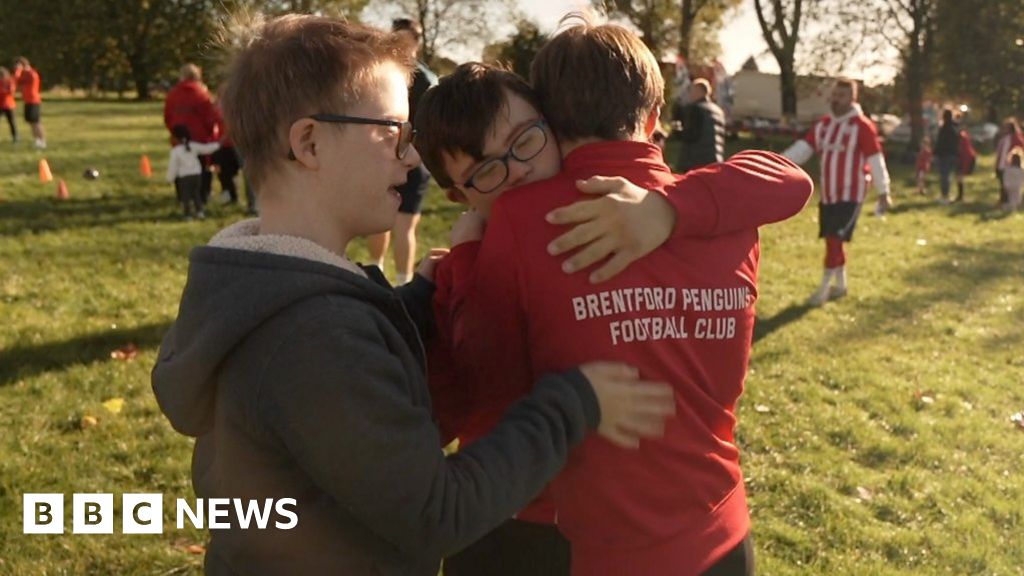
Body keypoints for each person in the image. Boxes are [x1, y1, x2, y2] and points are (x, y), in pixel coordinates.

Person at [150, 14, 674, 575]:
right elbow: (438, 514)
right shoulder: (315, 336)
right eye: (394, 133)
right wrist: (576, 401)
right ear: (309, 143)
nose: (411, 158)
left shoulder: (265, 290)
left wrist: (416, 301)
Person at [415, 18, 812, 575]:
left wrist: (460, 270)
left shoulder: (520, 221)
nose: (517, 173)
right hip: (721, 528)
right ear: (654, 118)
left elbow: (480, 383)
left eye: (527, 141)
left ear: (552, 122)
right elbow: (791, 180)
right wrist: (671, 206)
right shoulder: (730, 213)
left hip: (583, 537)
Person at [783, 78, 892, 306]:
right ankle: (841, 285)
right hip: (829, 194)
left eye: (841, 96)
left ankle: (823, 289)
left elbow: (875, 159)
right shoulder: (824, 125)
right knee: (832, 240)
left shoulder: (861, 127)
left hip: (851, 195)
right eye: (834, 95)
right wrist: (777, 164)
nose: (836, 99)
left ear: (852, 99)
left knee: (834, 239)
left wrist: (884, 191)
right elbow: (803, 149)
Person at [366, 18, 438, 284]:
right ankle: (375, 273)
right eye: (398, 42)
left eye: (408, 44)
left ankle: (405, 283)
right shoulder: (378, 76)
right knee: (378, 219)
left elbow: (432, 128)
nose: (403, 49)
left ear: (417, 45)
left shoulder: (427, 82)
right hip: (382, 158)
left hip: (414, 161)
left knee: (406, 225)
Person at [164, 63, 220, 205]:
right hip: (199, 137)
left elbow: (168, 116)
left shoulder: (173, 94)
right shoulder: (202, 93)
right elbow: (210, 116)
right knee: (201, 167)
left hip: (179, 137)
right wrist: (211, 133)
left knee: (180, 166)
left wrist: (174, 132)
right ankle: (202, 196)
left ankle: (182, 197)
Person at [167, 124, 220, 219]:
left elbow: (173, 167)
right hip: (196, 175)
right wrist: (218, 144)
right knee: (196, 194)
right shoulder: (193, 146)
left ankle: (188, 214)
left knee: (185, 197)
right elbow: (207, 149)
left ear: (176, 138)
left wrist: (169, 179)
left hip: (184, 177)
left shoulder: (175, 152)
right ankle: (200, 212)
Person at [676, 78, 726, 172]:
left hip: (695, 162)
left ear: (699, 91)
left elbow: (691, 135)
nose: (690, 94)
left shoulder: (695, 109)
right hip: (715, 161)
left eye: (691, 90)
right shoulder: (719, 111)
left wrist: (677, 132)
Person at [12, 57, 44, 148]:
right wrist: (18, 72)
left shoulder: (31, 73)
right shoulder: (24, 74)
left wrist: (19, 70)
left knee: (36, 121)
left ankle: (42, 140)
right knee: (31, 122)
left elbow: (21, 79)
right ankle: (37, 140)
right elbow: (16, 81)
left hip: (34, 100)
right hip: (27, 100)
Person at [932, 109, 959, 204]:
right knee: (948, 176)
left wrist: (935, 152)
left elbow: (941, 142)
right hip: (953, 154)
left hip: (944, 154)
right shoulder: (955, 127)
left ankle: (945, 196)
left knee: (945, 176)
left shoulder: (945, 128)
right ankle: (947, 194)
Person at [994, 118, 1024, 205]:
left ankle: (1008, 202)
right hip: (1001, 164)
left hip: (1010, 166)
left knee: (1009, 184)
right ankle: (1003, 201)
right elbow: (1000, 152)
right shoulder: (1003, 139)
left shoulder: (1016, 138)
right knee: (1002, 184)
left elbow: (1018, 151)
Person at [955, 124, 977, 202]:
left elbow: (961, 149)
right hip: (965, 157)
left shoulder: (961, 137)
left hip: (964, 158)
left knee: (959, 176)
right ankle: (960, 195)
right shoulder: (964, 136)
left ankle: (960, 196)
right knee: (959, 177)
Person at [1002, 147, 1023, 211]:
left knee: (1010, 197)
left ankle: (1009, 208)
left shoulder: (1008, 169)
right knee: (1016, 197)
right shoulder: (1021, 170)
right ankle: (1013, 208)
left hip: (1009, 185)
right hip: (1017, 185)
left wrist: (1005, 184)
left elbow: (1005, 177)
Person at [0, 67, 16, 142]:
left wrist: (3, 91)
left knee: (11, 122)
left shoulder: (10, 81)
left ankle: (15, 137)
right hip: (1, 104)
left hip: (9, 105)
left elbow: (11, 92)